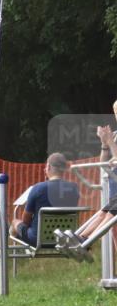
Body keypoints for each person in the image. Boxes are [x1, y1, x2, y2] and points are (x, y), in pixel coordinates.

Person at [56, 100, 117, 258]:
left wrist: (110, 142)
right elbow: (103, 160)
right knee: (104, 213)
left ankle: (87, 241)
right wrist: (104, 144)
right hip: (114, 188)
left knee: (110, 216)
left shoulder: (114, 139)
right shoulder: (115, 136)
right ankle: (81, 237)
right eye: (115, 112)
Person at [9, 153, 81, 245]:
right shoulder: (74, 188)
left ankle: (15, 249)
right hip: (65, 239)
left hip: (37, 239)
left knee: (15, 222)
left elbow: (25, 221)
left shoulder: (38, 188)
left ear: (48, 166)